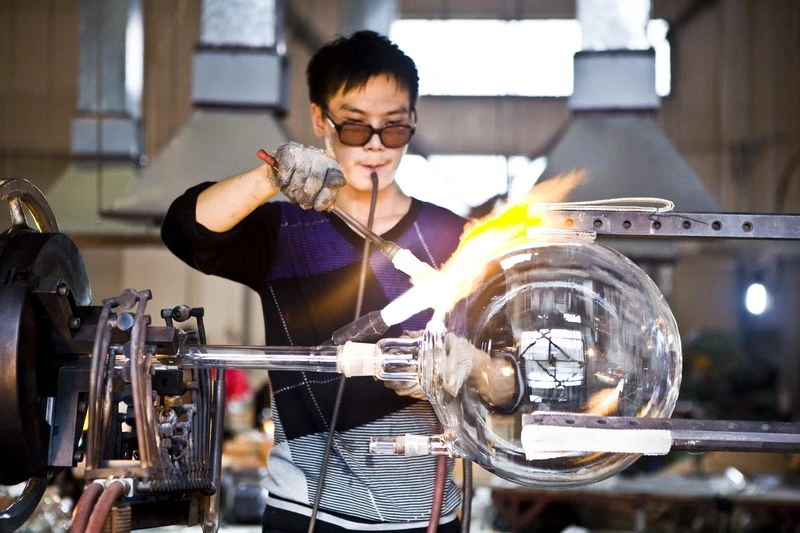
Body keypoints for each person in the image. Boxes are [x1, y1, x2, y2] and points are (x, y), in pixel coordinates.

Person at [161, 30, 467, 532]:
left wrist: (467, 368)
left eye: (393, 129)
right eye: (353, 127)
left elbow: (505, 372)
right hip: (307, 514)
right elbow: (185, 231)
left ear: (412, 122)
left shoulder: (453, 238)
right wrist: (271, 179)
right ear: (319, 120)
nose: (375, 146)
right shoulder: (286, 232)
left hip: (428, 514)